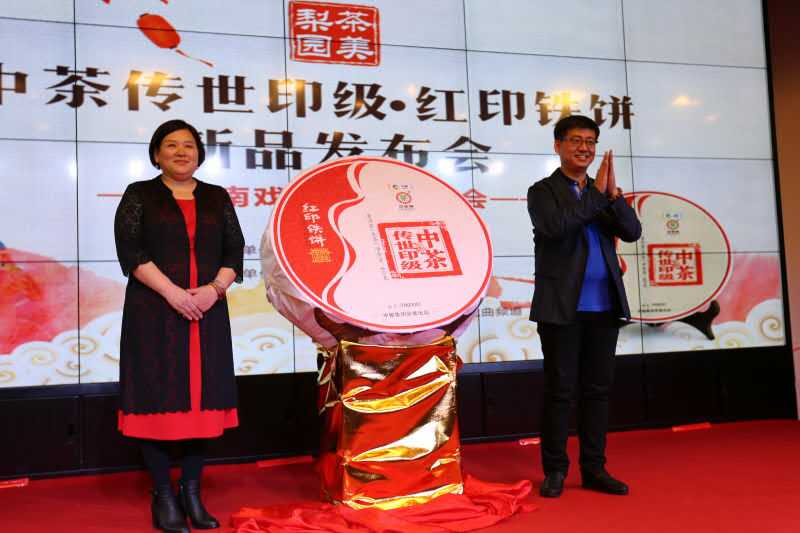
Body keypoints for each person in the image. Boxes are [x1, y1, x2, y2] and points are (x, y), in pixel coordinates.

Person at [114, 119, 245, 532]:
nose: (181, 151)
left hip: (206, 311)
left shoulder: (217, 196)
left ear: (199, 154)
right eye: (171, 145)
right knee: (154, 398)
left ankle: (191, 491)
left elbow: (235, 251)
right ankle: (163, 494)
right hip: (154, 311)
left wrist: (213, 291)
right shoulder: (139, 195)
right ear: (156, 154)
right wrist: (173, 294)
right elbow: (131, 251)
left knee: (203, 404)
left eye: (188, 145)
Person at [527, 115, 641, 498]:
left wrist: (614, 197)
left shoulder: (601, 193)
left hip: (604, 307)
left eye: (591, 142)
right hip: (561, 308)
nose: (584, 148)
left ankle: (594, 468)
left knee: (597, 391)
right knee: (560, 391)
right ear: (557, 145)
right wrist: (597, 196)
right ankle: (555, 470)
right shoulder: (542, 192)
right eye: (576, 140)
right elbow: (556, 228)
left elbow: (632, 232)